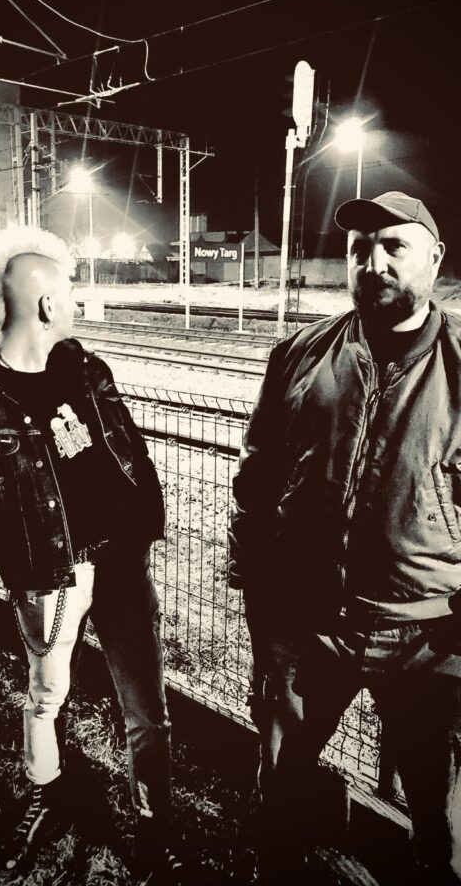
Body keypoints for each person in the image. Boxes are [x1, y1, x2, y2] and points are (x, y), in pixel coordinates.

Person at [0, 226, 178, 880]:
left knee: (145, 710)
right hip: (49, 578)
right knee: (46, 695)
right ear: (45, 304)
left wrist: (145, 526)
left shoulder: (87, 370)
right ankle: (48, 797)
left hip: (121, 567)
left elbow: (128, 452)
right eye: (66, 291)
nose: (73, 301)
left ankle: (155, 825)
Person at [229, 191, 461, 884]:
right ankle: (277, 866)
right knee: (281, 778)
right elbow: (256, 479)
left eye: (394, 246)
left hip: (424, 637)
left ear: (435, 258)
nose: (373, 262)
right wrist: (258, 594)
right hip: (305, 624)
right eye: (360, 249)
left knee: (433, 800)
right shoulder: (300, 354)